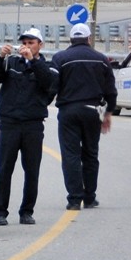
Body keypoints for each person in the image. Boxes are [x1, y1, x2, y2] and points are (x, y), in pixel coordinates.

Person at [0, 27, 57, 226]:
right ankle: (0, 211)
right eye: (24, 43)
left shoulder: (47, 66)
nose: (26, 46)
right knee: (4, 169)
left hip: (33, 125)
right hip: (10, 123)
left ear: (40, 45)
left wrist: (32, 61)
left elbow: (49, 83)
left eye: (31, 43)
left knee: (32, 170)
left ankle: (27, 211)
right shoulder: (12, 63)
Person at [50, 22, 116, 211]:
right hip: (92, 111)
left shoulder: (60, 58)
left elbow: (52, 85)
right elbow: (110, 90)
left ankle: (74, 199)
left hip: (68, 111)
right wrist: (108, 112)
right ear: (89, 39)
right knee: (90, 154)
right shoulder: (101, 59)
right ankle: (89, 197)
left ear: (70, 39)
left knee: (70, 155)